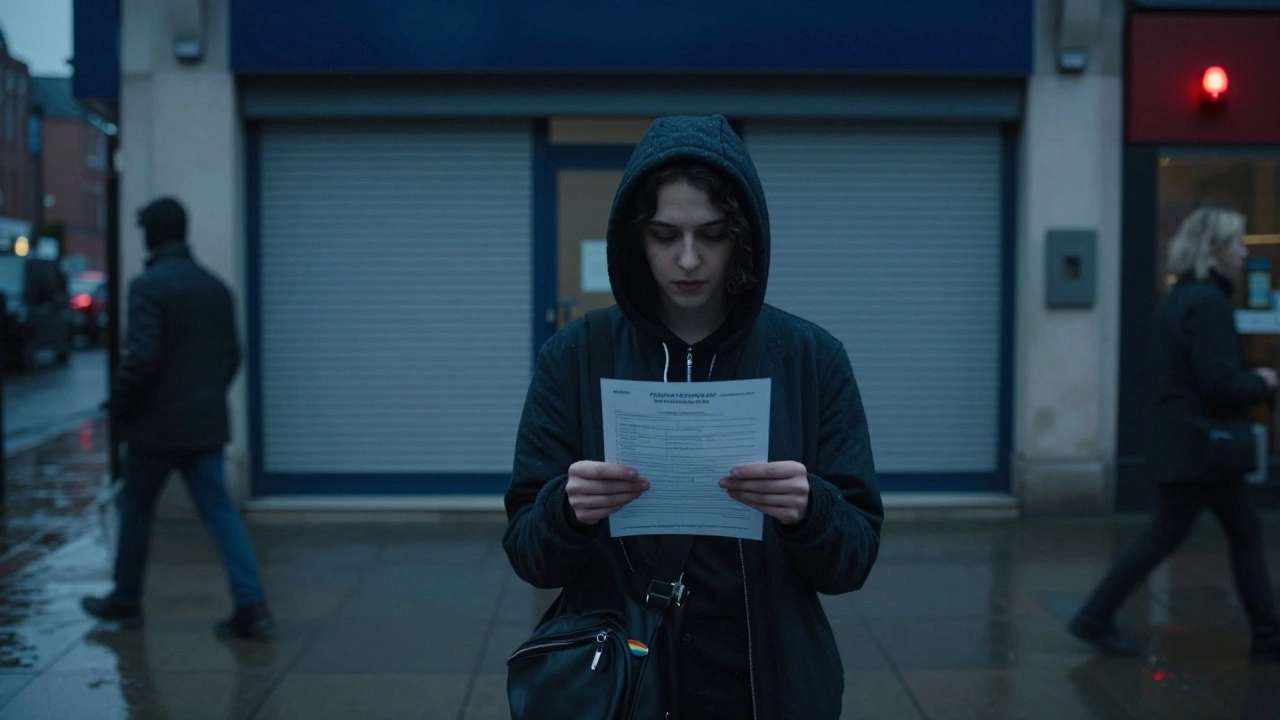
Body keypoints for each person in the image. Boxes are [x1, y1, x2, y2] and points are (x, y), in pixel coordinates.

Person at [503, 116, 884, 719]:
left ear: (743, 236)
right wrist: (565, 510)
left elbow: (855, 558)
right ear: (635, 238)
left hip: (769, 685)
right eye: (664, 235)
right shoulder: (575, 357)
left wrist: (812, 510)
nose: (688, 259)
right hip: (626, 684)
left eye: (711, 234)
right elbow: (529, 554)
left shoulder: (809, 359)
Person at [1068, 206, 1280, 664]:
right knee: (1186, 535)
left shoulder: (1180, 298)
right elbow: (1218, 382)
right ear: (1215, 249)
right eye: (1239, 243)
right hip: (1203, 447)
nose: (1245, 253)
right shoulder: (1207, 303)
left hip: (1189, 445)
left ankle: (1268, 635)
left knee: (1228, 531)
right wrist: (1262, 381)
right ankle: (1095, 615)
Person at [82, 196, 275, 642]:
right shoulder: (215, 286)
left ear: (154, 233)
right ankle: (253, 605)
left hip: (155, 427)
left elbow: (142, 357)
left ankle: (126, 600)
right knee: (222, 514)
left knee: (135, 510)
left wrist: (121, 404)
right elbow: (232, 355)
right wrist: (206, 396)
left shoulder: (149, 285)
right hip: (204, 424)